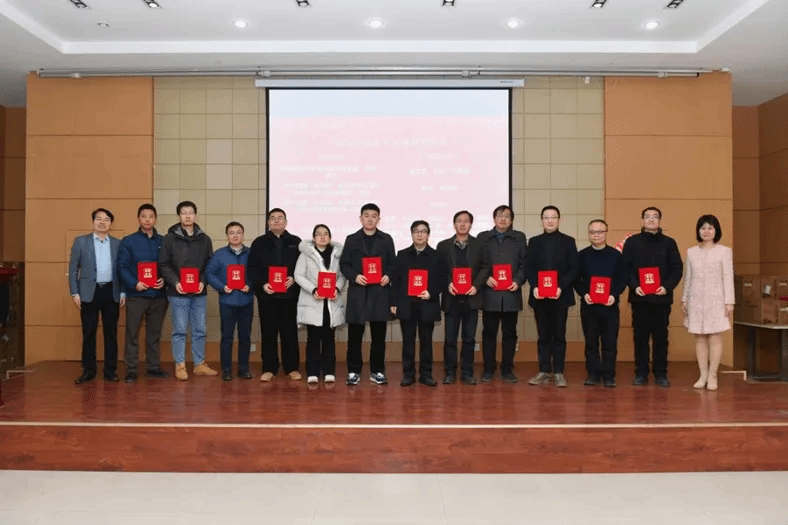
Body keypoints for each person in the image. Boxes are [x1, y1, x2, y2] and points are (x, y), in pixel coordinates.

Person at [621, 206, 683, 387]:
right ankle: (641, 373)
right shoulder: (632, 242)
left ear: (659, 220)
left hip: (661, 298)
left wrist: (666, 287)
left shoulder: (669, 243)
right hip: (639, 297)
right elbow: (624, 268)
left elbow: (677, 268)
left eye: (655, 217)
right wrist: (634, 286)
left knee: (660, 338)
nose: (651, 219)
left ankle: (661, 373)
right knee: (640, 337)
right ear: (642, 220)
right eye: (647, 216)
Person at [159, 200, 217, 381]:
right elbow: (163, 264)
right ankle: (180, 364)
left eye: (190, 212)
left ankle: (199, 364)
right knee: (180, 330)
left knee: (200, 329)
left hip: (199, 293)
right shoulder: (169, 239)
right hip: (178, 293)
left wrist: (203, 282)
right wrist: (175, 282)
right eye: (183, 213)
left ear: (195, 215)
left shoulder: (205, 239)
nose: (187, 216)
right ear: (179, 216)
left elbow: (210, 265)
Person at [340, 203, 396, 385]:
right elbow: (344, 264)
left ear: (379, 219)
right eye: (366, 215)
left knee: (379, 335)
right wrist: (355, 276)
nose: (370, 219)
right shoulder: (351, 239)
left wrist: (388, 275)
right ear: (360, 218)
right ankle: (353, 371)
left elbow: (393, 263)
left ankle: (377, 371)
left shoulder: (386, 239)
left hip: (380, 292)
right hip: (358, 291)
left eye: (374, 216)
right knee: (355, 335)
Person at [69, 208, 125, 384]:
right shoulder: (81, 242)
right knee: (89, 333)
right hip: (88, 292)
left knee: (111, 333)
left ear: (111, 223)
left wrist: (123, 291)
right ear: (93, 221)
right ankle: (88, 371)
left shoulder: (117, 243)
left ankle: (110, 371)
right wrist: (75, 292)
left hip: (111, 291)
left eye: (106, 219)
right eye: (99, 219)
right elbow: (73, 269)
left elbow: (122, 270)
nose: (102, 222)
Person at [526, 206, 579, 388]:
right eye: (546, 217)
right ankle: (543, 371)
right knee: (543, 335)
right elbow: (529, 267)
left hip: (560, 296)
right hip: (540, 296)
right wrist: (535, 285)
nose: (550, 220)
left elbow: (574, 269)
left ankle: (558, 372)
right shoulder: (534, 242)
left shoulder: (568, 241)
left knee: (559, 335)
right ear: (541, 220)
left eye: (553, 217)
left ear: (559, 220)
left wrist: (560, 286)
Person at [248, 208, 303, 382]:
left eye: (280, 218)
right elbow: (252, 268)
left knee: (290, 333)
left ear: (286, 222)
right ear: (268, 223)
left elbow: (303, 266)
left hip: (289, 296)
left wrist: (294, 277)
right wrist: (262, 284)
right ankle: (269, 368)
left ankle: (291, 368)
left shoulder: (296, 242)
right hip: (267, 296)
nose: (276, 221)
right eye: (273, 218)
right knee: (268, 333)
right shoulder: (259, 243)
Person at [117, 203, 169, 383]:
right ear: (138, 218)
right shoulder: (128, 241)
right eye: (144, 216)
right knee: (132, 333)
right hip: (137, 295)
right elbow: (122, 267)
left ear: (155, 219)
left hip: (159, 296)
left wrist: (165, 279)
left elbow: (168, 265)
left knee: (154, 334)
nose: (147, 220)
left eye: (151, 216)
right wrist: (134, 283)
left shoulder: (163, 241)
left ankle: (153, 367)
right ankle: (131, 369)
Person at [681, 214, 734, 391]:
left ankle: (713, 375)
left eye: (710, 228)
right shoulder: (691, 252)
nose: (706, 231)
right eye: (703, 228)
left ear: (716, 230)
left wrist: (729, 301)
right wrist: (684, 298)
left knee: (715, 337)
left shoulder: (724, 251)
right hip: (695, 299)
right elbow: (688, 277)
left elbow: (728, 277)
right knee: (700, 337)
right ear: (698, 231)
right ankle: (703, 374)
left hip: (716, 299)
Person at [574, 219, 627, 388]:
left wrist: (614, 294)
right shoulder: (581, 255)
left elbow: (622, 278)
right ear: (588, 234)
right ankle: (593, 374)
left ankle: (609, 375)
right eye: (592, 232)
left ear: (606, 233)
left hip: (610, 306)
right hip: (589, 306)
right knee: (591, 343)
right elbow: (576, 279)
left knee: (609, 342)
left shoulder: (615, 255)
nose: (596, 235)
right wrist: (584, 294)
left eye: (599, 231)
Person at [390, 220, 444, 387]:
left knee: (426, 341)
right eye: (416, 231)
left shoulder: (436, 255)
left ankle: (426, 374)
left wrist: (431, 292)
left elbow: (442, 280)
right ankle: (408, 374)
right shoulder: (402, 255)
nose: (420, 234)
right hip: (407, 304)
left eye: (423, 231)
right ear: (411, 234)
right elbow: (396, 281)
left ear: (428, 234)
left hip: (427, 304)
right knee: (408, 341)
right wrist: (394, 302)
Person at [478, 204, 527, 383]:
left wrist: (518, 281)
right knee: (489, 333)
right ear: (494, 218)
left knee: (510, 334)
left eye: (507, 216)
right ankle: (488, 368)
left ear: (511, 220)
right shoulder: (483, 237)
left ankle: (507, 368)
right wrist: (485, 278)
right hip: (490, 293)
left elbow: (525, 263)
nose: (503, 219)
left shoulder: (519, 238)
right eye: (499, 215)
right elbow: (477, 263)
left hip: (511, 294)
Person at [436, 210, 485, 385]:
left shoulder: (479, 244)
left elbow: (485, 267)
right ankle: (449, 372)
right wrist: (448, 283)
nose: (462, 224)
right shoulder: (443, 246)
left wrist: (476, 286)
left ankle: (467, 372)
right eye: (459, 221)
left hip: (471, 298)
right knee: (450, 338)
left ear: (471, 224)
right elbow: (440, 270)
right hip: (452, 299)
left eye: (466, 221)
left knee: (469, 338)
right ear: (454, 224)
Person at [294, 224, 346, 384]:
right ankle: (313, 371)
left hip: (331, 302)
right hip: (313, 300)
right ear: (313, 237)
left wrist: (337, 288)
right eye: (318, 234)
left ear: (330, 237)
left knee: (329, 338)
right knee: (313, 338)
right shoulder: (305, 255)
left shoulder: (337, 255)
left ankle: (329, 370)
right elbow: (298, 275)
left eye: (325, 234)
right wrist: (313, 289)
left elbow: (342, 275)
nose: (322, 236)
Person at [206, 221, 255, 381]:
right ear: (227, 236)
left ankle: (243, 369)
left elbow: (258, 273)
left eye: (238, 232)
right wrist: (222, 287)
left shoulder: (251, 253)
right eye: (232, 233)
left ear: (243, 235)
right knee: (227, 338)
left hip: (246, 301)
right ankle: (226, 370)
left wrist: (250, 285)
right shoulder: (219, 254)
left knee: (245, 337)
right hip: (227, 301)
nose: (235, 235)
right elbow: (209, 273)